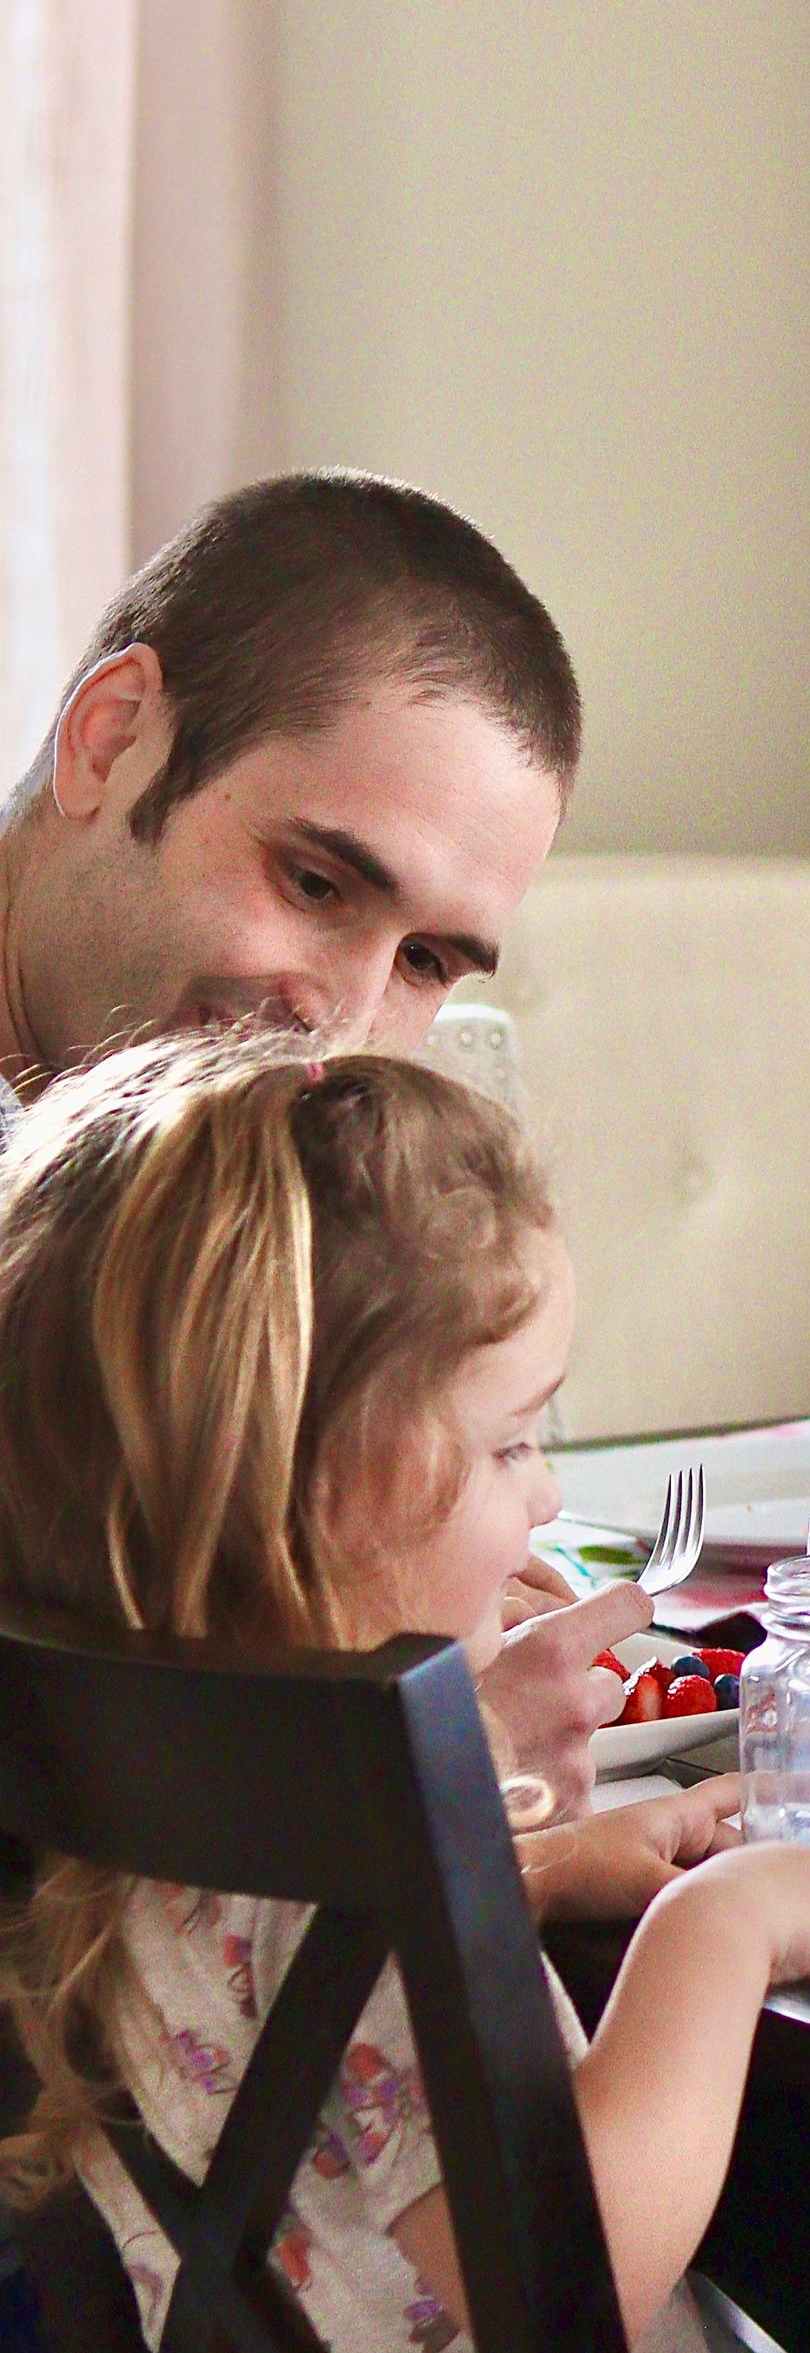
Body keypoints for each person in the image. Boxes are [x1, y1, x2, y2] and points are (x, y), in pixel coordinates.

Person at [0, 1037, 810, 2353]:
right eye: (510, 1446)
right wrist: (713, 1935)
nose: (544, 1502)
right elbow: (568, 2265)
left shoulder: (170, 1772)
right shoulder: (348, 1821)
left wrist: (527, 1859)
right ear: (304, 1484)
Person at [0, 470, 630, 1819]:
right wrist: (412, 1767)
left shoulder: (350, 1133)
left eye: (428, 962)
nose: (339, 1020)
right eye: (318, 883)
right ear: (111, 739)